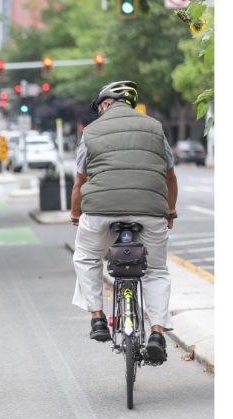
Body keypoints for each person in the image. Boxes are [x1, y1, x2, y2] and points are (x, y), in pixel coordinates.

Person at [69, 81, 179, 363]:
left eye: (99, 107)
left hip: (100, 211)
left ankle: (97, 317)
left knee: (86, 256)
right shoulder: (155, 128)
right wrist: (170, 213)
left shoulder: (90, 132)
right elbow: (169, 177)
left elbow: (80, 182)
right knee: (156, 270)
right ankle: (156, 333)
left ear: (106, 103)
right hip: (150, 210)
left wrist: (75, 215)